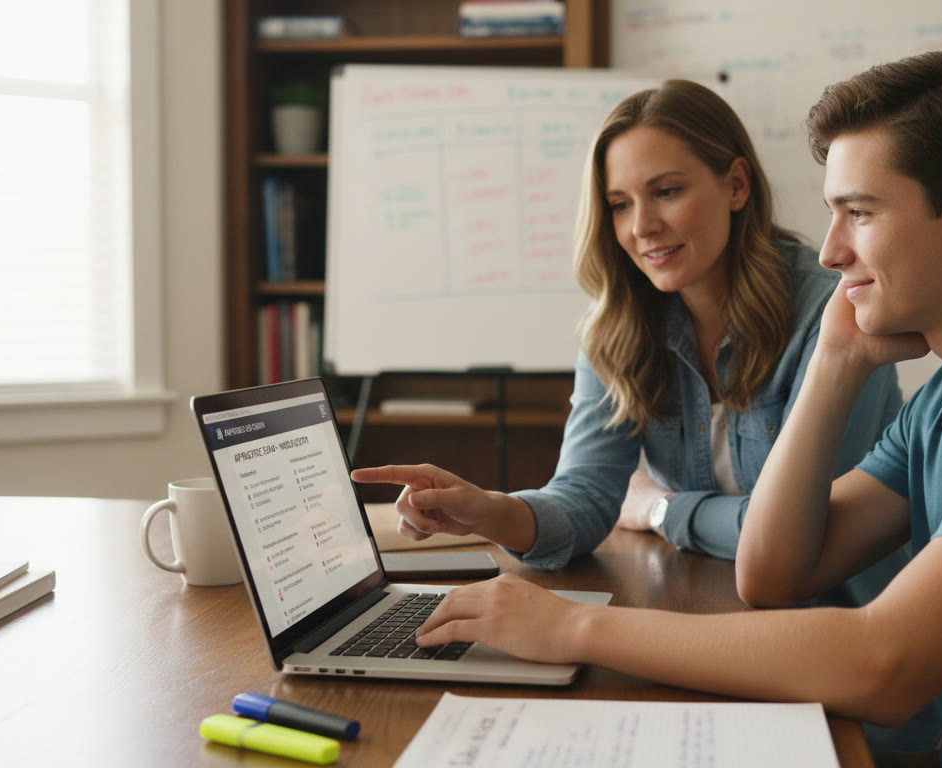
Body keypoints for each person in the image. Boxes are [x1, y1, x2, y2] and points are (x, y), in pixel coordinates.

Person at [395, 49, 942, 767]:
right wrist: (837, 360)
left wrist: (576, 627)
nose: (834, 249)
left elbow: (886, 665)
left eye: (860, 213)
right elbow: (771, 573)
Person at [352, 80, 906, 604]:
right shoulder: (619, 327)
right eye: (619, 204)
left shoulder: (834, 316)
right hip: (705, 603)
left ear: (736, 185)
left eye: (666, 191)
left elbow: (805, 539)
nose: (641, 227)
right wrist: (488, 510)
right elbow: (586, 500)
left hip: (843, 617)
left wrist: (662, 509)